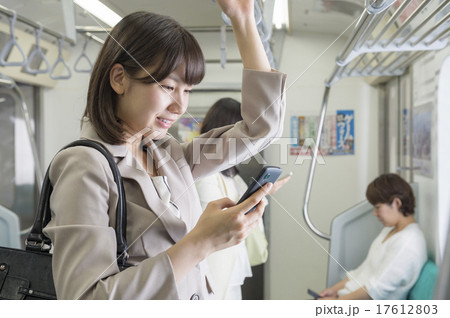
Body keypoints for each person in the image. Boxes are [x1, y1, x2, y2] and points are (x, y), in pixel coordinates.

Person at [43, 0, 286, 300]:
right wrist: (201, 242)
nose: (180, 105)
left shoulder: (169, 155)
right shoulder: (85, 165)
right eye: (169, 87)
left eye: (187, 90)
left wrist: (243, 19)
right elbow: (86, 299)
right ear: (119, 79)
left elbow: (261, 128)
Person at [195, 98, 291, 299]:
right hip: (213, 266)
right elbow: (220, 218)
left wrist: (264, 192)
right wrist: (258, 195)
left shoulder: (233, 175)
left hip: (232, 267)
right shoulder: (205, 174)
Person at [319, 173, 427, 300]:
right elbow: (362, 271)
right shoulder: (389, 231)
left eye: (377, 207)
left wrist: (336, 303)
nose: (375, 214)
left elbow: (375, 290)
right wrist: (334, 290)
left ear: (397, 203)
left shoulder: (408, 242)